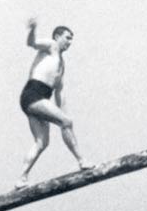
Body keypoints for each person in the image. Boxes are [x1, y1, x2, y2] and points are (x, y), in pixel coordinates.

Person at [16, 18, 91, 188]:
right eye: (67, 37)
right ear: (57, 37)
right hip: (33, 95)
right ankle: (81, 161)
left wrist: (64, 114)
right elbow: (32, 43)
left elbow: (59, 92)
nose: (70, 42)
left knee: (42, 142)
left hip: (38, 98)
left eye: (72, 39)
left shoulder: (61, 64)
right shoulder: (51, 46)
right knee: (66, 122)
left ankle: (21, 178)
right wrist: (33, 28)